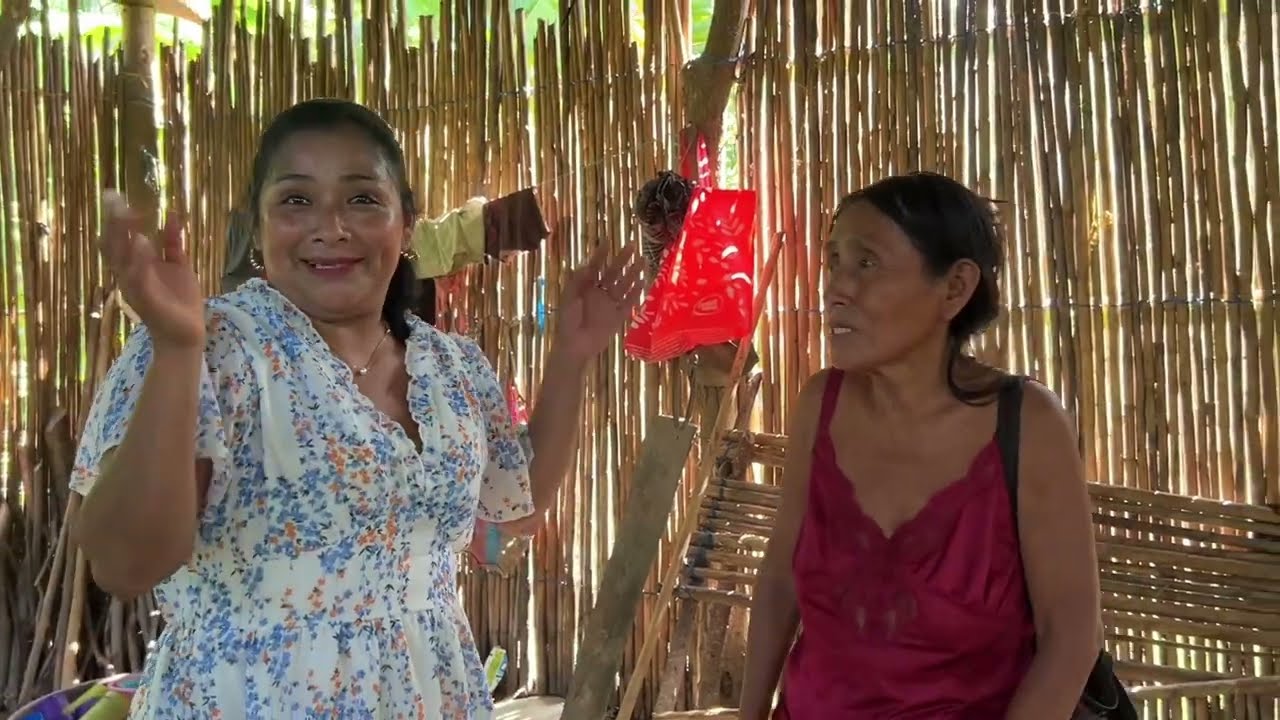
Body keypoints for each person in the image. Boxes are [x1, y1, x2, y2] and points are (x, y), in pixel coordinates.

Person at [70, 98, 643, 718]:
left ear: (407, 223)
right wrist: (176, 350)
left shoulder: (451, 366)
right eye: (296, 200)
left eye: (362, 198)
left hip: (430, 693)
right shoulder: (213, 349)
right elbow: (124, 564)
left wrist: (572, 357)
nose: (331, 226)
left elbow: (513, 509)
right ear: (256, 228)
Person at [740, 172, 1102, 719]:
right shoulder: (822, 404)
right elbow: (779, 582)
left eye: (866, 263)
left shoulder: (1026, 426)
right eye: (833, 261)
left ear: (955, 288)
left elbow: (1071, 637)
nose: (836, 287)